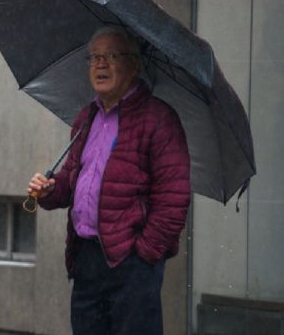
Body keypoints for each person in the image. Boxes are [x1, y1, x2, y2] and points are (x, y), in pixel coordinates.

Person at [27, 26, 191, 335]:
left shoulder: (159, 119)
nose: (100, 64)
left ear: (134, 65)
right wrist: (49, 190)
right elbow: (72, 182)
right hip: (87, 257)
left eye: (112, 56)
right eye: (95, 57)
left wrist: (144, 255)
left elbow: (174, 198)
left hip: (132, 261)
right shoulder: (86, 117)